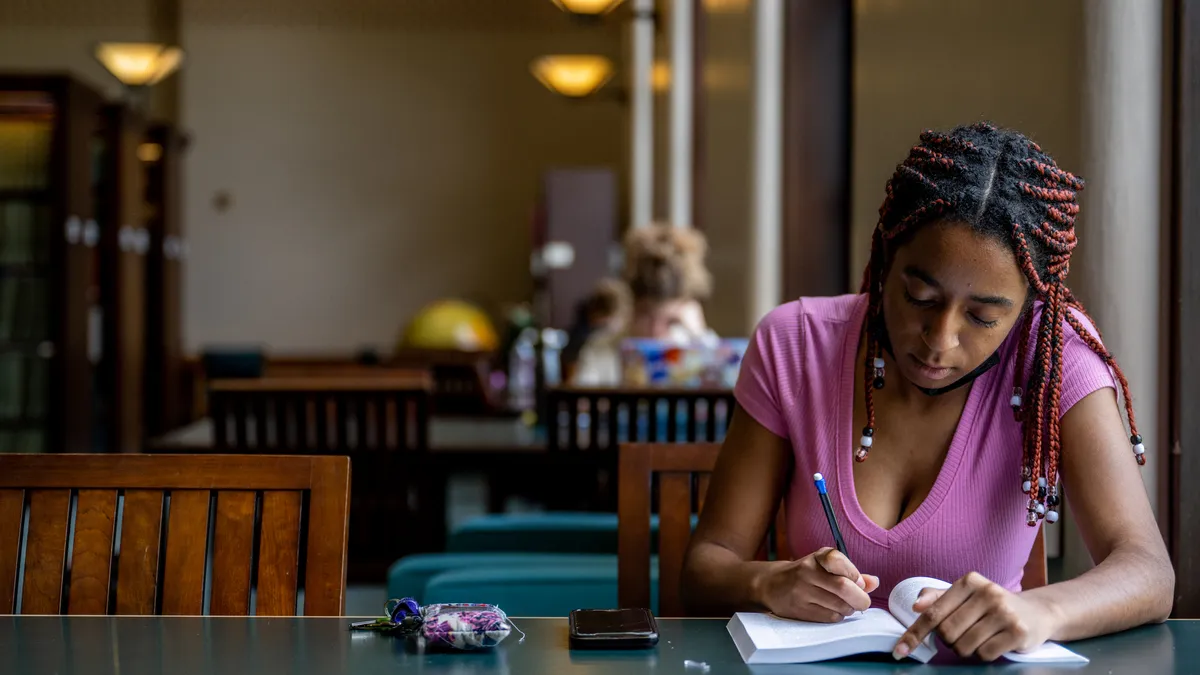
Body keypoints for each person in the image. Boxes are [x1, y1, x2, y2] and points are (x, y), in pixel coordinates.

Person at [680, 123, 1174, 661]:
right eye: (919, 297)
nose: (940, 341)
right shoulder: (795, 345)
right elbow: (708, 566)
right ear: (885, 259)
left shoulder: (1055, 361)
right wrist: (768, 583)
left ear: (1032, 303)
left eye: (984, 317)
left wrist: (1042, 611)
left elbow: (1148, 572)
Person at [570, 223, 717, 386]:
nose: (655, 330)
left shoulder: (694, 347)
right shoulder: (602, 348)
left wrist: (700, 335)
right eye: (645, 315)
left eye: (670, 322)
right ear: (631, 308)